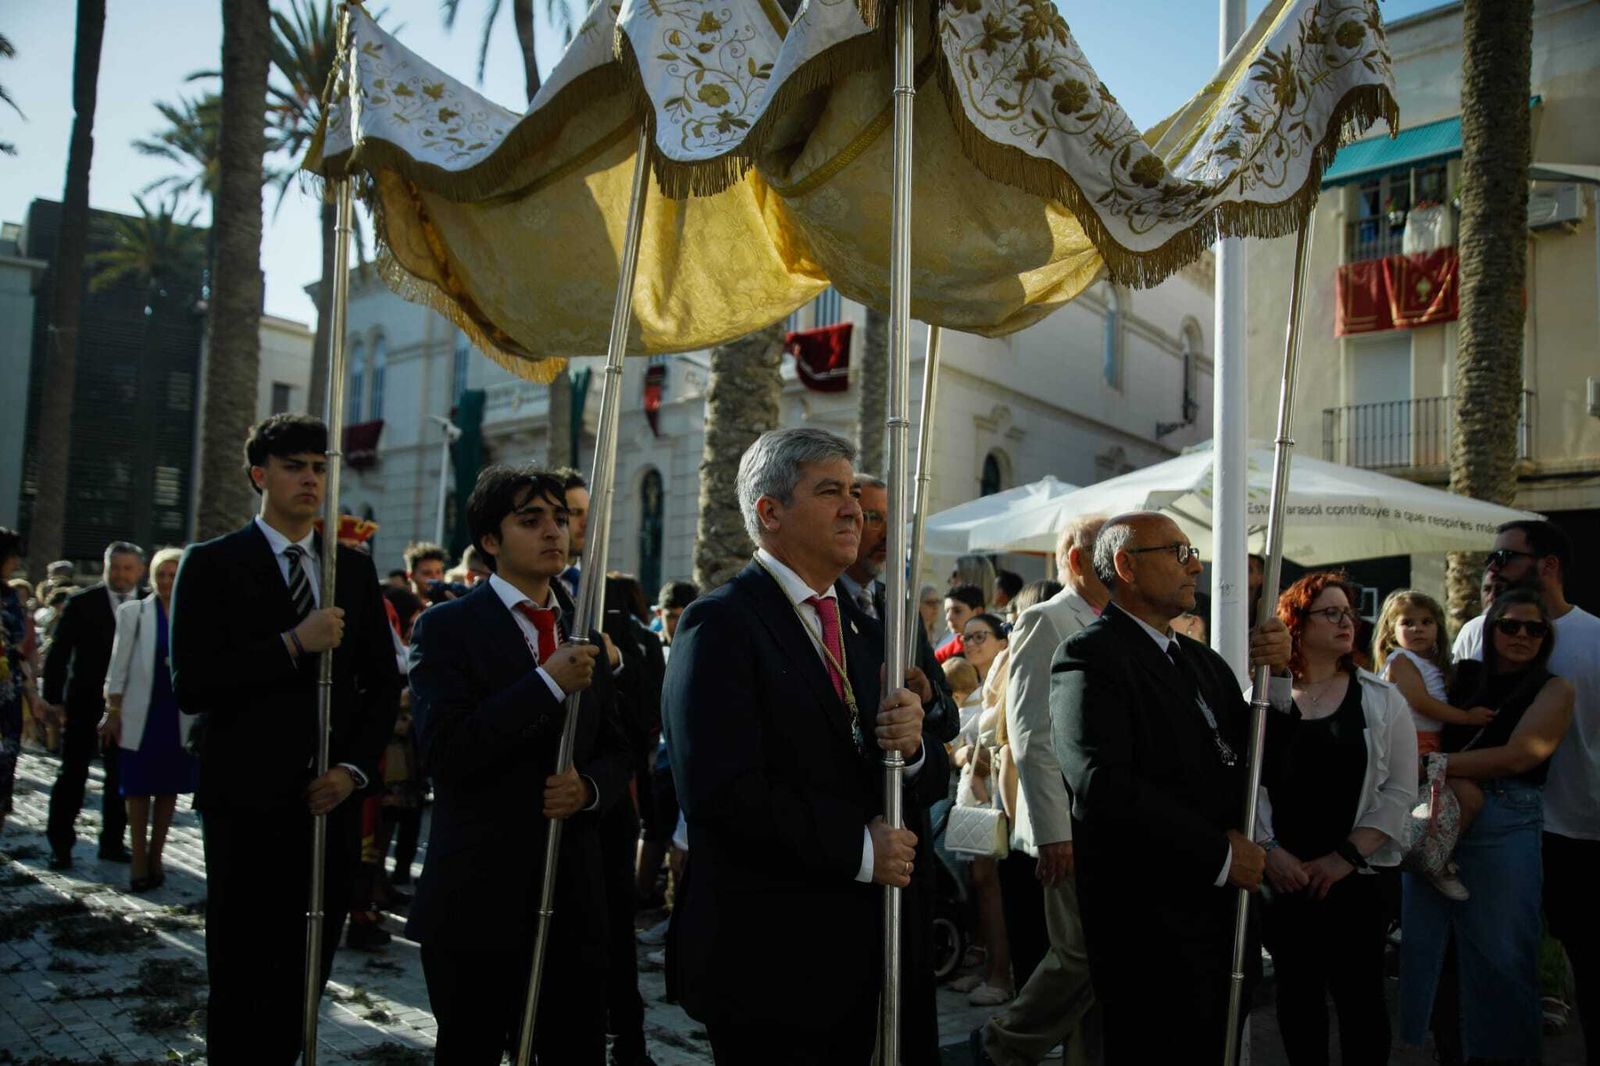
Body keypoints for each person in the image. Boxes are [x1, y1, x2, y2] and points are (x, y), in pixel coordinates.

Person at [662, 427, 946, 1063]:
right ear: (770, 511)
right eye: (830, 492)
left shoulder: (865, 628)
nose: (854, 510)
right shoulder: (722, 622)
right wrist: (856, 848)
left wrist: (916, 745)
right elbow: (719, 793)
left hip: (860, 949)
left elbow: (920, 773)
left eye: (852, 492)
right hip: (768, 955)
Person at [170, 414, 400, 1062]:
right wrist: (291, 644)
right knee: (243, 973)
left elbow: (382, 685)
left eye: (320, 467)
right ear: (259, 474)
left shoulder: (350, 568)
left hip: (328, 804)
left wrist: (353, 769)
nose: (310, 478)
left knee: (307, 973)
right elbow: (192, 683)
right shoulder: (212, 564)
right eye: (295, 465)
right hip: (245, 802)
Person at [405, 463, 629, 1064]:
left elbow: (615, 748)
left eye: (560, 518)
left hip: (572, 896)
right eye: (530, 520)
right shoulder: (447, 627)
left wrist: (588, 791)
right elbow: (446, 753)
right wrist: (544, 683)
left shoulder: (584, 627)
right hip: (479, 897)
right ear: (490, 540)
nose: (553, 531)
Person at [1052, 511, 1294, 1062]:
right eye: (1179, 553)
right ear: (1126, 567)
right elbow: (1101, 783)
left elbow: (1256, 765)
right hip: (1151, 926)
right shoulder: (1089, 655)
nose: (1197, 565)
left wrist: (1277, 680)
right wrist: (1218, 854)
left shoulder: (1203, 662)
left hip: (1220, 921)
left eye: (1193, 552)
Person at [1401, 588, 1575, 1064]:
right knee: (1434, 954)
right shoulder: (1461, 677)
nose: (1521, 635)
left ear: (1547, 637)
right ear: (1490, 628)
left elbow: (1522, 755)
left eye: (1534, 628)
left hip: (1506, 818)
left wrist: (1435, 764)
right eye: (1510, 625)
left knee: (1503, 960)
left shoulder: (1554, 687)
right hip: (1440, 806)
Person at [1450, 519, 1598, 1065]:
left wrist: (1434, 765)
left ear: (1549, 565)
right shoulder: (1475, 632)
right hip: (1491, 829)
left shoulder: (1597, 638)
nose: (1492, 569)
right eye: (1492, 560)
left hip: (1579, 831)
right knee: (1498, 971)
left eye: (1505, 558)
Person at [1256, 572, 1416, 1065]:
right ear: (1296, 625)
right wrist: (1270, 852)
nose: (1346, 621)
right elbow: (1248, 786)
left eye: (1349, 612)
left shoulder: (1382, 699)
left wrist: (1344, 857)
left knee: (1361, 999)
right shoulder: (1263, 699)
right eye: (1331, 612)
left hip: (1357, 877)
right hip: (1284, 878)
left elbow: (1399, 790)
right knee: (1297, 999)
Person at [836, 472, 962, 1056]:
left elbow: (947, 722)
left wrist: (927, 700)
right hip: (847, 848)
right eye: (872, 517)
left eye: (891, 518)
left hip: (906, 835)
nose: (882, 532)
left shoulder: (897, 608)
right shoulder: (819, 608)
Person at [979, 515, 1106, 1066]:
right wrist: (1054, 831)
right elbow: (1030, 729)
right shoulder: (1045, 619)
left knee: (1100, 967)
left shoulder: (1119, 619)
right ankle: (1000, 1044)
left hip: (1107, 823)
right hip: (1067, 826)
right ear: (1076, 560)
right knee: (1079, 956)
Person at [1372, 588, 1486, 899]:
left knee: (1455, 802)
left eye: (1426, 622)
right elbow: (1422, 703)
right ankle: (1430, 862)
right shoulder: (1400, 660)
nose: (1418, 629)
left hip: (1431, 745)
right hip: (1408, 745)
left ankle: (1435, 857)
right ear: (1392, 632)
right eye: (1407, 622)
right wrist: (1467, 718)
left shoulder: (1435, 664)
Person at [99, 546, 197, 892]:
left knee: (169, 789)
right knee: (138, 789)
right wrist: (112, 711)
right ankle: (138, 858)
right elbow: (118, 666)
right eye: (162, 574)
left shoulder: (195, 615)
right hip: (141, 713)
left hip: (178, 715)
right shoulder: (133, 613)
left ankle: (157, 855)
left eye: (174, 574)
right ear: (151, 576)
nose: (168, 581)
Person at [43, 540, 145, 868]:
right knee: (73, 773)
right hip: (83, 703)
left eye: (128, 568)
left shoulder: (149, 605)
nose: (121, 575)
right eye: (114, 567)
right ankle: (60, 844)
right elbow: (58, 656)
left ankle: (112, 843)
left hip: (130, 705)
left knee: (119, 775)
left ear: (140, 571)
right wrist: (55, 702)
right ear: (105, 568)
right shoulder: (82, 603)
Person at [951, 611, 1018, 1007]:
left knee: (993, 887)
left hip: (997, 793)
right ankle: (989, 964)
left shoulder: (1005, 678)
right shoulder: (974, 683)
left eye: (980, 636)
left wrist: (967, 755)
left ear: (1000, 640)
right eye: (966, 638)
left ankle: (1000, 972)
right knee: (980, 886)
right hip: (975, 793)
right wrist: (962, 756)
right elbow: (958, 747)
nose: (972, 644)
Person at [1, 527, 39, 834]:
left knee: (5, 761)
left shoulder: (10, 594)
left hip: (8, 689)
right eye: (12, 556)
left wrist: (31, 694)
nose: (16, 563)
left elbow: (20, 649)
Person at [556, 468, 590, 600]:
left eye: (590, 512)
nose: (586, 523)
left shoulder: (606, 589)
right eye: (575, 513)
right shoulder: (533, 587)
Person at [938, 584, 986, 663]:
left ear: (978, 612)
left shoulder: (998, 646)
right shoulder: (943, 654)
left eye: (957, 611)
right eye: (947, 611)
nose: (948, 617)